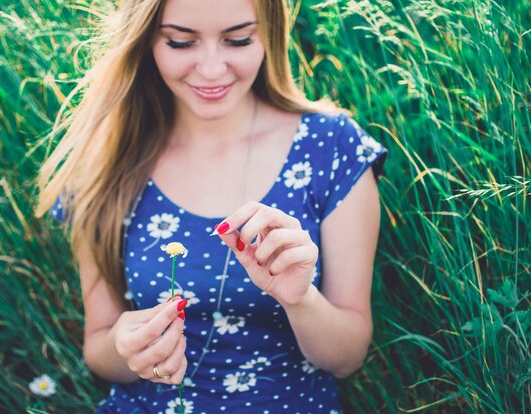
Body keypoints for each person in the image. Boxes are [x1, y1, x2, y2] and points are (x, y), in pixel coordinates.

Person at [36, 0, 387, 412]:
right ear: (146, 38)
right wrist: (125, 345)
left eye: (238, 40)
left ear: (269, 33)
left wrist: (300, 300)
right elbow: (98, 349)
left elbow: (347, 358)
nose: (211, 69)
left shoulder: (332, 149)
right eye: (181, 43)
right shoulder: (107, 160)